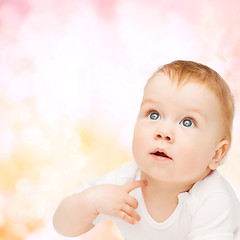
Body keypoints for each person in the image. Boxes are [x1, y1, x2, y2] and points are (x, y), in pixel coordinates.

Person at [53, 60, 240, 239]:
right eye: (154, 114)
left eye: (187, 122)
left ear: (216, 154)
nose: (163, 131)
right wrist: (91, 201)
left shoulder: (214, 199)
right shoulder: (126, 181)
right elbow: (62, 225)